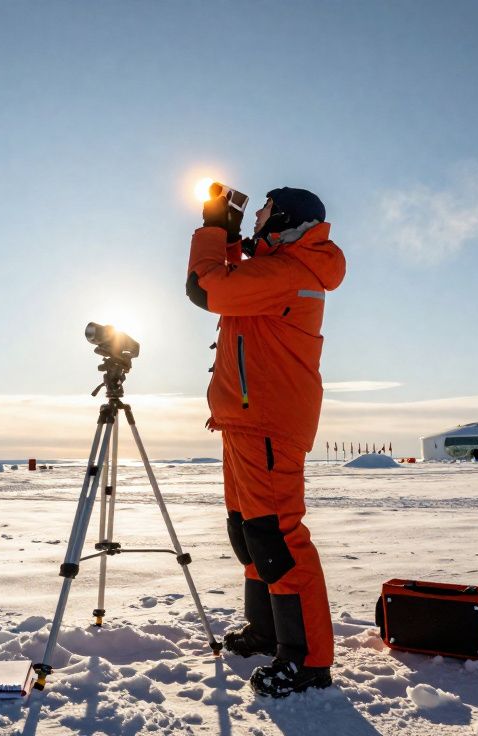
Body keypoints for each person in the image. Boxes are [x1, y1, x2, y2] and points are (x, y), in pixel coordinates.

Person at [185, 186, 346, 697]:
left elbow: (206, 289)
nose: (255, 221)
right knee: (249, 533)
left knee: (278, 538)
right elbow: (231, 282)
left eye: (263, 214)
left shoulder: (288, 272)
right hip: (245, 422)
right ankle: (267, 631)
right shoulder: (278, 268)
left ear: (287, 222)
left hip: (268, 423)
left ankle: (308, 660)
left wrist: (214, 231)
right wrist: (230, 238)